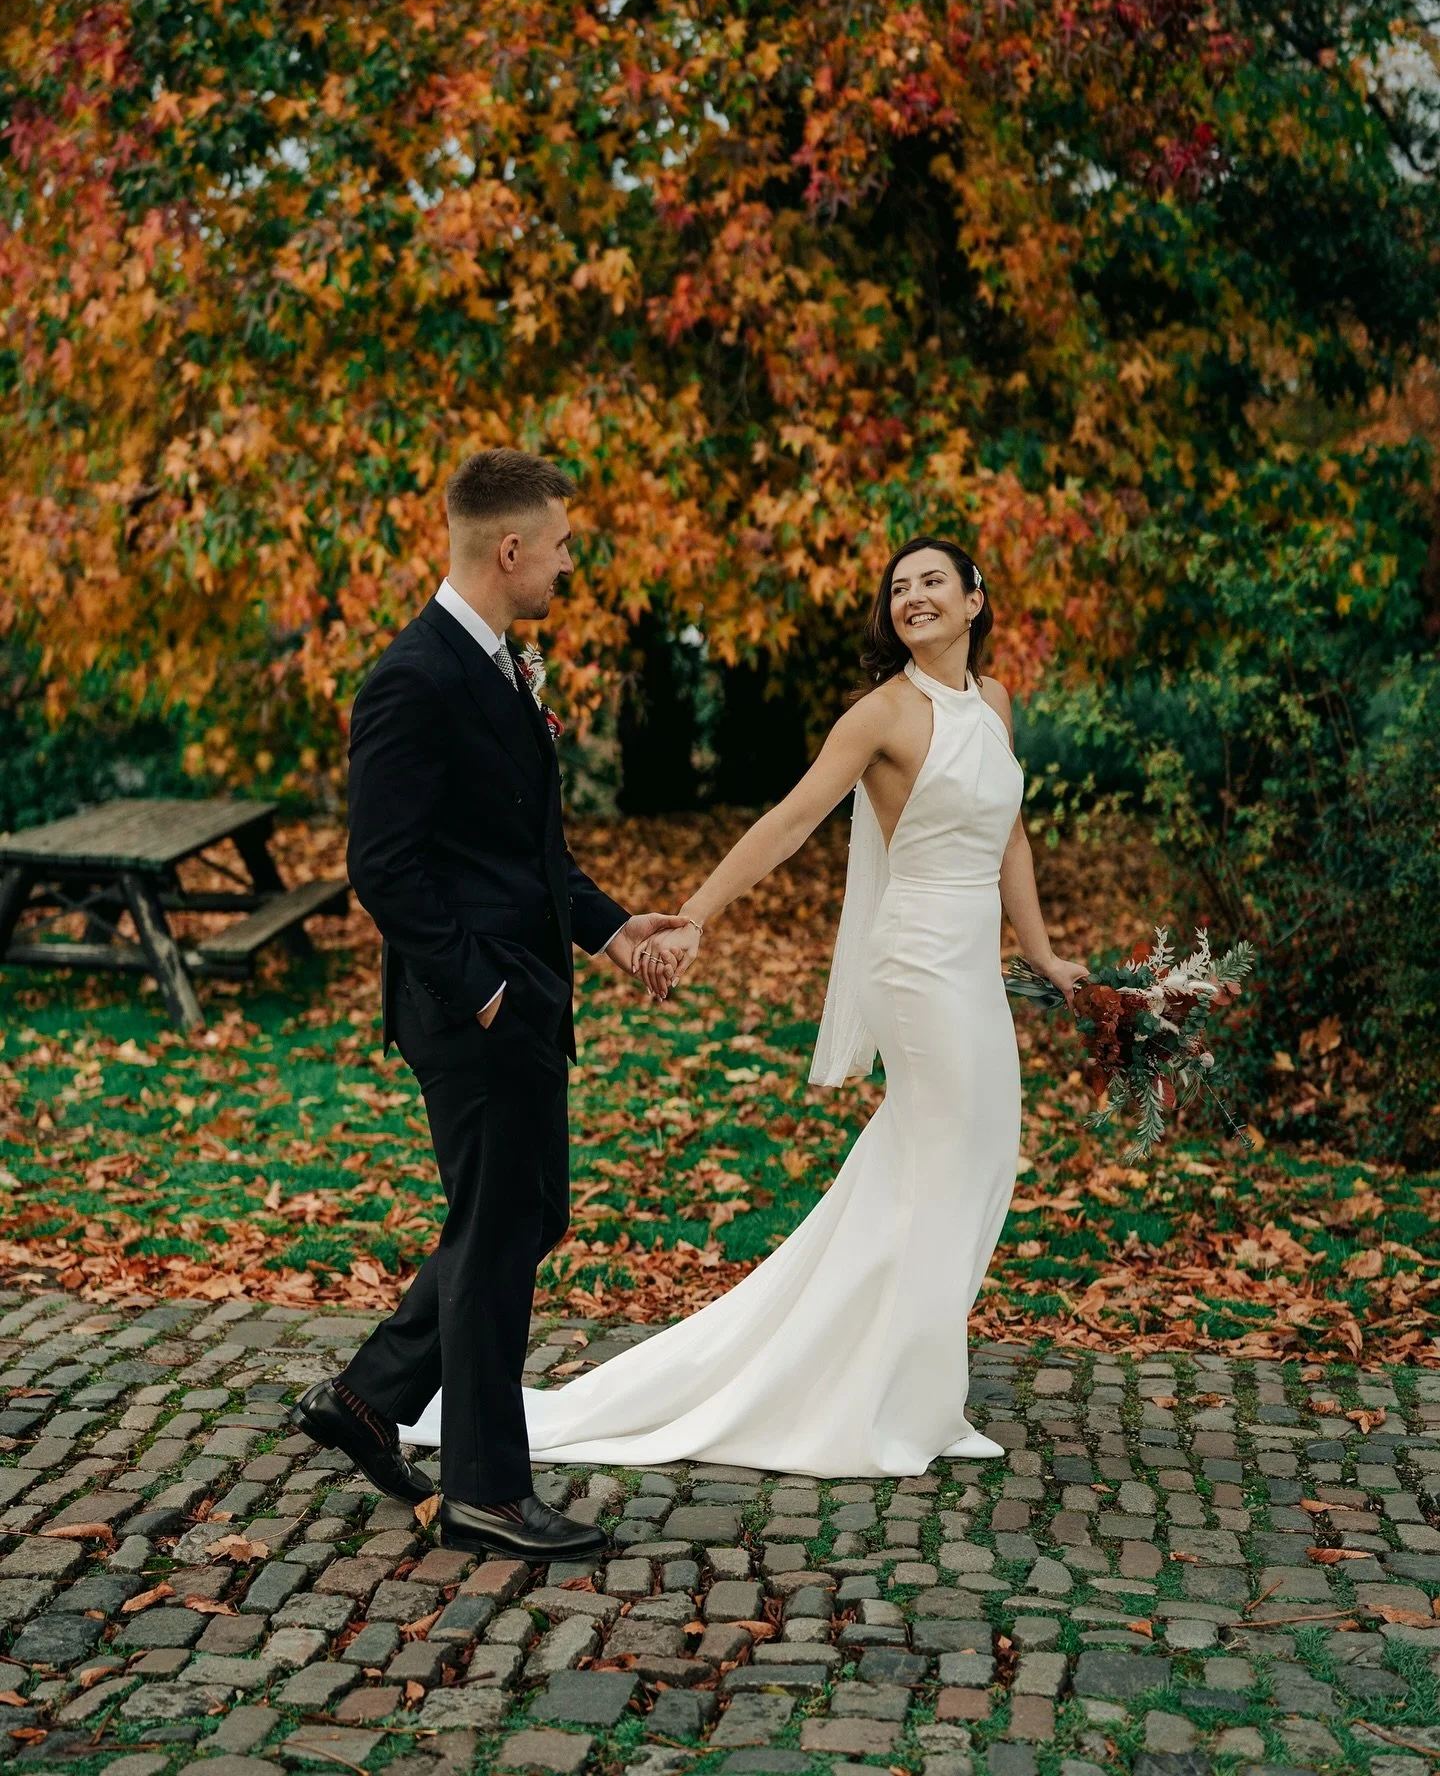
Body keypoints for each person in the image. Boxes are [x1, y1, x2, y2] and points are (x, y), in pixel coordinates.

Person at [401, 536, 1089, 1477]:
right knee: (947, 1158)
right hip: (916, 968)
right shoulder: (884, 714)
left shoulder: (996, 705)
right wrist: (695, 918)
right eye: (899, 589)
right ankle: (893, 1403)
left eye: (934, 582)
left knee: (970, 1162)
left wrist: (1042, 951)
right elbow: (791, 819)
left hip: (971, 967)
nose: (914, 598)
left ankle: (927, 1387)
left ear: (976, 598)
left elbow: (1009, 831)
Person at [290, 449, 684, 1563]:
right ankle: (486, 1494)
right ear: (508, 550)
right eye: (559, 544)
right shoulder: (413, 678)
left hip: (527, 997)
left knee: (522, 1216)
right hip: (475, 1013)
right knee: (503, 1225)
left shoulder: (504, 665)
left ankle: (369, 1399)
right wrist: (488, 994)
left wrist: (612, 931)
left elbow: (529, 850)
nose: (568, 560)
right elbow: (385, 867)